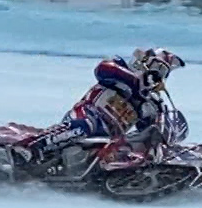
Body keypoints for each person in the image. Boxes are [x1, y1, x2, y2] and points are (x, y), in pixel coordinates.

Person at [10, 48, 186, 170]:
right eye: (158, 68)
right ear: (144, 62)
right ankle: (30, 147)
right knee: (84, 126)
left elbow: (151, 129)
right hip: (88, 117)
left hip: (109, 139)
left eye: (163, 73)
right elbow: (103, 70)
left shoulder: (147, 103)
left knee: (133, 147)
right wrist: (139, 81)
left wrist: (165, 121)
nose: (159, 76)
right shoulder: (119, 68)